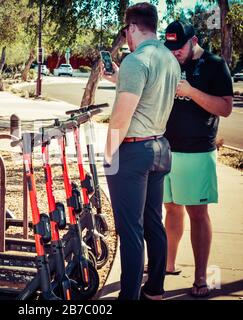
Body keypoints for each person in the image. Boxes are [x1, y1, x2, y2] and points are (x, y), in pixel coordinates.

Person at [101, 3, 180, 300]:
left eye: (126, 32)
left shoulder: (137, 60)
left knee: (131, 233)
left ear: (132, 27)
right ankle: (155, 288)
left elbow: (121, 119)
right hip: (160, 147)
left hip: (134, 152)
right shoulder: (169, 59)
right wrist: (121, 77)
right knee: (152, 223)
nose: (128, 38)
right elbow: (151, 93)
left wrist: (107, 154)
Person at [163, 20, 233, 297]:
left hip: (197, 152)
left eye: (178, 47)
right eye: (170, 47)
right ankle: (168, 265)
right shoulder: (171, 62)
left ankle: (201, 278)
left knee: (197, 213)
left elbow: (226, 108)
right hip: (166, 148)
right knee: (171, 207)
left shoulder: (215, 65)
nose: (174, 53)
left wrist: (190, 91)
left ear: (193, 41)